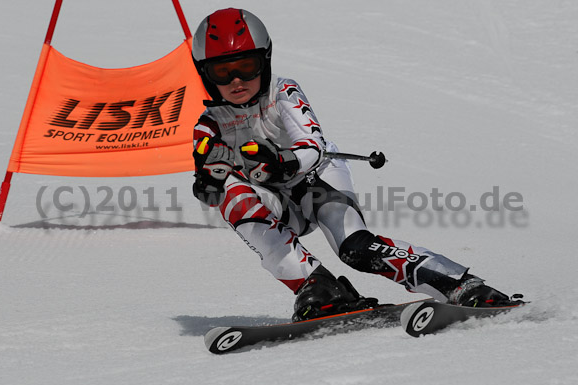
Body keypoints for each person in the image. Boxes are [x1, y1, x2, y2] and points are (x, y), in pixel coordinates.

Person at [189, 8, 521, 321]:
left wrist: (282, 160)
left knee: (355, 248)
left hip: (316, 182)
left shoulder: (283, 92)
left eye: (246, 66)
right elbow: (209, 184)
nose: (236, 80)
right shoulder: (209, 125)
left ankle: (460, 285)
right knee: (230, 197)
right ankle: (318, 287)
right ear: (206, 74)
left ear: (265, 60)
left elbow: (313, 145)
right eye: (222, 71)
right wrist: (209, 182)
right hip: (277, 202)